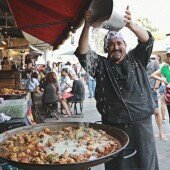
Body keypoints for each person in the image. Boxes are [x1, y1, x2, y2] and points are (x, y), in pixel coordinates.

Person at [74, 6, 159, 170]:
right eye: (111, 44)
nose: (116, 47)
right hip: (115, 126)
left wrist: (130, 25)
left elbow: (147, 40)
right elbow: (83, 51)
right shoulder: (101, 65)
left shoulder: (137, 58)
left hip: (141, 124)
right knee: (119, 166)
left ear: (125, 45)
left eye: (119, 43)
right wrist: (87, 24)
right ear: (107, 49)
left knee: (146, 164)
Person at [146, 58, 167, 140]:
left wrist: (156, 87)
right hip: (140, 92)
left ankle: (161, 132)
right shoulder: (136, 62)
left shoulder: (154, 62)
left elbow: (159, 74)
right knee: (144, 114)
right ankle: (146, 135)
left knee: (157, 112)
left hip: (151, 90)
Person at [151, 53, 170, 123]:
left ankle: (164, 118)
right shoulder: (165, 67)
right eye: (169, 56)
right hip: (168, 91)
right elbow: (153, 75)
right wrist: (164, 80)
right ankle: (164, 118)